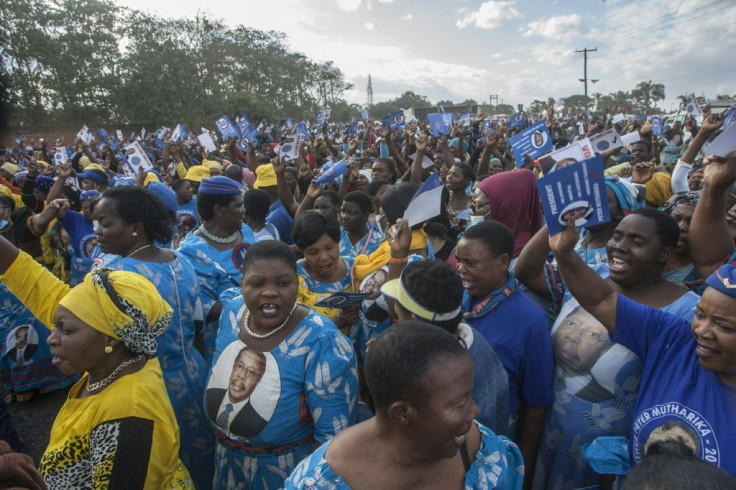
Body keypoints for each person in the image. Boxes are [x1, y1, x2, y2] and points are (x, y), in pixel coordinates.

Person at [548, 209, 736, 478]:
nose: (702, 331)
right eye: (700, 315)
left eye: (724, 326)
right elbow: (603, 300)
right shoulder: (674, 340)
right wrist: (565, 254)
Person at [0, 234, 192, 489]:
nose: (51, 339)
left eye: (65, 331)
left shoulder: (131, 413)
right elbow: (31, 281)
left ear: (109, 338)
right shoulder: (113, 352)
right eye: (55, 326)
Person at [284, 322, 524, 489]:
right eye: (459, 404)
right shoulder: (320, 483)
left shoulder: (483, 456)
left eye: (470, 397)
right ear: (402, 412)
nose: (474, 412)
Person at [207, 240, 358, 489]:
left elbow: (332, 445)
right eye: (256, 284)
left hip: (283, 475)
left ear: (297, 284)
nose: (269, 292)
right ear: (242, 282)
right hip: (225, 466)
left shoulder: (322, 342)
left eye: (283, 283)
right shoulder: (232, 313)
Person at [91, 185, 214, 489]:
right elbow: (198, 327)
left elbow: (100, 343)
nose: (97, 231)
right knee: (200, 461)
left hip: (146, 391)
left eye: (105, 223)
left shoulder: (112, 274)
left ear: (136, 228)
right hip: (195, 380)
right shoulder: (180, 260)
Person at [456, 220, 553, 489]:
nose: (461, 270)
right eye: (458, 260)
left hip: (494, 441)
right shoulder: (456, 297)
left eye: (471, 263)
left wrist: (523, 467)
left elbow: (536, 403)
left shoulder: (530, 322)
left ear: (502, 262)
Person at [380, 259, 509, 434]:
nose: (394, 309)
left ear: (415, 321)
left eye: (398, 309)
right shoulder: (471, 339)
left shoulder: (444, 388)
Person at [178, 176, 257, 364]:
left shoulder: (243, 230)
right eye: (238, 206)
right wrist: (257, 304)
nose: (244, 211)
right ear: (218, 209)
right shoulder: (191, 252)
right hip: (226, 345)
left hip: (260, 331)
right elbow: (203, 307)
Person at [292, 211, 359, 335]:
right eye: (313, 252)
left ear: (338, 242)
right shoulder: (294, 277)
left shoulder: (356, 268)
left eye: (329, 248)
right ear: (303, 251)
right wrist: (335, 322)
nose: (323, 257)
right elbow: (293, 329)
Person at [472, 169, 543, 260]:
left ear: (504, 207)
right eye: (472, 204)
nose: (471, 211)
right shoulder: (484, 243)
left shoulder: (525, 261)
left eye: (478, 205)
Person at [205, 346, 268, 436]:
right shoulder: (209, 394)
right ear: (233, 367)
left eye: (251, 372)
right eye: (240, 366)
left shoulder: (257, 422)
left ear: (258, 381)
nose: (242, 376)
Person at [339, 191, 384, 258]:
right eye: (343, 211)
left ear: (365, 215)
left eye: (351, 213)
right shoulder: (335, 235)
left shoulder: (379, 241)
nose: (344, 217)